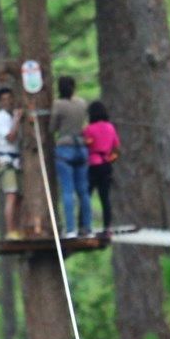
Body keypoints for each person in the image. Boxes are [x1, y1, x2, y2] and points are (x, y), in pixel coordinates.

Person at [51, 76, 93, 238]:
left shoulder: (58, 104)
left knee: (68, 191)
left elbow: (52, 127)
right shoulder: (82, 103)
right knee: (83, 191)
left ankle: (70, 229)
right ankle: (87, 227)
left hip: (65, 148)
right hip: (81, 148)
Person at [84, 100, 119, 234]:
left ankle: (84, 225)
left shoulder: (89, 129)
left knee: (87, 194)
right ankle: (107, 226)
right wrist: (110, 158)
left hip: (93, 164)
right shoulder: (110, 127)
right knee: (105, 197)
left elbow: (86, 143)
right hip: (106, 164)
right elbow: (116, 146)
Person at [0, 86, 21, 237]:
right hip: (6, 160)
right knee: (11, 195)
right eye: (4, 100)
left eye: (10, 98)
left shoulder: (8, 117)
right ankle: (10, 231)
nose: (8, 102)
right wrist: (17, 119)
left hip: (14, 159)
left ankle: (17, 228)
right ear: (0, 102)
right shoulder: (0, 118)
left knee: (16, 196)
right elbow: (10, 137)